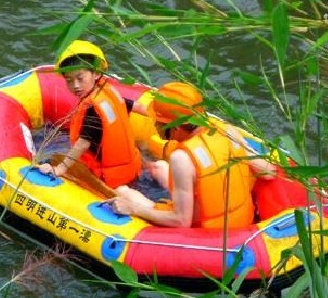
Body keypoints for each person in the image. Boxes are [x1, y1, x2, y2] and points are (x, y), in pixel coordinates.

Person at [112, 82, 277, 228]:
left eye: (158, 122)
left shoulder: (181, 159)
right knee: (159, 166)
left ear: (175, 127)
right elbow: (269, 171)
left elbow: (180, 221)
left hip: (207, 231)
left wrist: (133, 208)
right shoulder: (226, 131)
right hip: (243, 219)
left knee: (123, 192)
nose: (154, 125)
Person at [37, 40, 142, 189]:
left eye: (80, 78)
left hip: (107, 179)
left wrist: (60, 168)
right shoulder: (107, 91)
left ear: (96, 73)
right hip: (132, 170)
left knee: (49, 158)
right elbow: (130, 105)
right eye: (69, 81)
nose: (76, 85)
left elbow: (83, 143)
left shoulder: (93, 108)